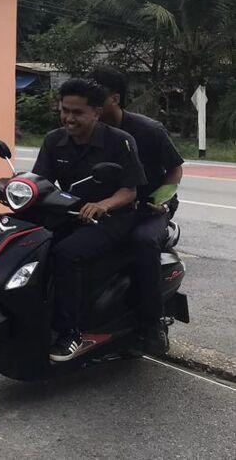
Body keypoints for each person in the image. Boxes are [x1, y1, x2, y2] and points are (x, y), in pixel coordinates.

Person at [32, 78, 146, 362]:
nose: (69, 118)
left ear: (96, 112)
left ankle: (70, 332)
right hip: (71, 212)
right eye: (64, 110)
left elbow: (129, 191)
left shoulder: (120, 141)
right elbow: (41, 181)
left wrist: (103, 205)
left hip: (113, 217)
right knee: (31, 242)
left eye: (77, 112)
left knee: (66, 253)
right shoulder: (54, 140)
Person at [91, 66, 184, 355]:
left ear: (114, 98)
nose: (91, 104)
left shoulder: (149, 130)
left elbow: (175, 170)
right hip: (109, 206)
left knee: (143, 241)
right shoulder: (88, 130)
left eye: (97, 97)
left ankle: (152, 324)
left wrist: (161, 201)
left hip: (148, 208)